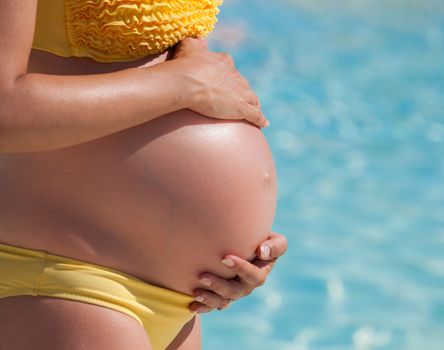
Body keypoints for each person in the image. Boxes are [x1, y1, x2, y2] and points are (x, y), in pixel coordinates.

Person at [0, 0, 287, 349]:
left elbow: (186, 64)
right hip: (68, 279)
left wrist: (243, 246)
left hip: (179, 300)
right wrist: (183, 84)